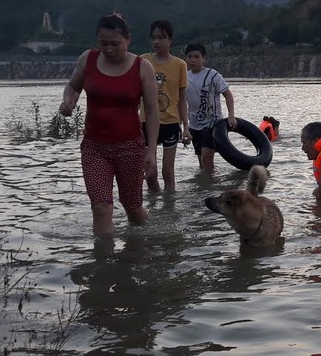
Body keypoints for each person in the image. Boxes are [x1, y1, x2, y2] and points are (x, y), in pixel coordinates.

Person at [59, 12, 159, 236]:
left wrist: (151, 150)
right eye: (103, 43)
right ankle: (104, 266)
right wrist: (68, 100)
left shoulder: (143, 68)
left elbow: (152, 111)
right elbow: (73, 86)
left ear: (128, 39)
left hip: (130, 148)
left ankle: (144, 248)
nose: (109, 49)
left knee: (133, 208)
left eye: (115, 43)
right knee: (101, 208)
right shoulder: (88, 59)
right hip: (95, 148)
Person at [139, 20, 189, 192]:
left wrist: (186, 127)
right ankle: (154, 210)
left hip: (170, 123)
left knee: (168, 172)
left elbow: (182, 99)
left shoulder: (180, 65)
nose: (157, 42)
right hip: (145, 123)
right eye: (153, 38)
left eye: (161, 38)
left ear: (171, 40)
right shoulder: (143, 61)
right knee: (149, 173)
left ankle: (169, 211)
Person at [183, 42, 236, 172]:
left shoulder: (213, 75)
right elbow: (181, 103)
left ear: (203, 58)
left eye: (196, 57)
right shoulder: (184, 77)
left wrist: (231, 115)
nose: (193, 60)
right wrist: (184, 127)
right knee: (201, 163)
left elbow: (227, 95)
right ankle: (205, 188)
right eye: (190, 57)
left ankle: (211, 186)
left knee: (207, 158)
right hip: (194, 124)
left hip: (212, 123)